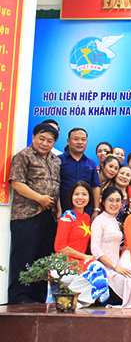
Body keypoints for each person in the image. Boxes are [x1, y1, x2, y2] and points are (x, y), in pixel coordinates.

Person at [8, 123, 61, 305]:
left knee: (43, 258)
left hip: (50, 215)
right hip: (26, 215)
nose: (45, 143)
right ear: (34, 137)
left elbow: (56, 186)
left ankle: (38, 297)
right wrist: (40, 198)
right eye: (42, 138)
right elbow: (16, 183)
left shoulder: (55, 160)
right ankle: (19, 296)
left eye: (50, 140)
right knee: (24, 256)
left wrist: (58, 209)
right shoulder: (24, 156)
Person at [91, 187, 131, 308]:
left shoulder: (114, 221)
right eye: (110, 200)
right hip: (104, 268)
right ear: (103, 202)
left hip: (116, 265)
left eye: (118, 201)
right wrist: (114, 267)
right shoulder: (99, 220)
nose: (114, 204)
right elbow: (96, 250)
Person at [54, 181, 110, 306]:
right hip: (64, 263)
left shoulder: (86, 217)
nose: (80, 197)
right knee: (96, 268)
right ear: (71, 197)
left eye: (84, 194)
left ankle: (74, 302)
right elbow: (59, 246)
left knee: (97, 269)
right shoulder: (68, 216)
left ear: (89, 197)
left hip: (78, 262)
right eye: (76, 194)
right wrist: (85, 257)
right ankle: (68, 299)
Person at [58, 128, 101, 216]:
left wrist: (96, 210)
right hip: (63, 210)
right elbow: (54, 187)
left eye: (83, 139)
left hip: (85, 212)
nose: (80, 142)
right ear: (68, 141)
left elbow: (95, 187)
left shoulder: (91, 163)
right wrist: (57, 209)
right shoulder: (58, 161)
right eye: (76, 139)